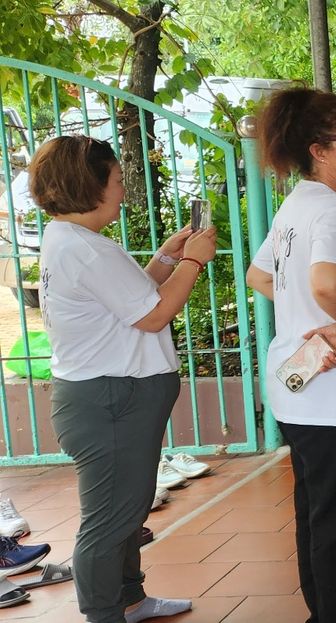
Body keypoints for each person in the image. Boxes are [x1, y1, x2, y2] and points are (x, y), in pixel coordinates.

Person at [32, 135, 215, 623]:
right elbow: (153, 316)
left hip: (111, 397)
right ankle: (104, 613)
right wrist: (196, 261)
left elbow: (130, 298)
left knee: (126, 510)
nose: (123, 191)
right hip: (109, 399)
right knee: (110, 520)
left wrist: (168, 257)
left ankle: (129, 600)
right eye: (115, 180)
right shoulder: (84, 248)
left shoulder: (72, 240)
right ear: (89, 184)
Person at [244, 88, 336, 623]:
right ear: (320, 150)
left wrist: (308, 317)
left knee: (319, 516)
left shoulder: (297, 204)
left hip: (301, 390)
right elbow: (326, 279)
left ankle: (329, 613)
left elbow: (259, 275)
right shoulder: (334, 210)